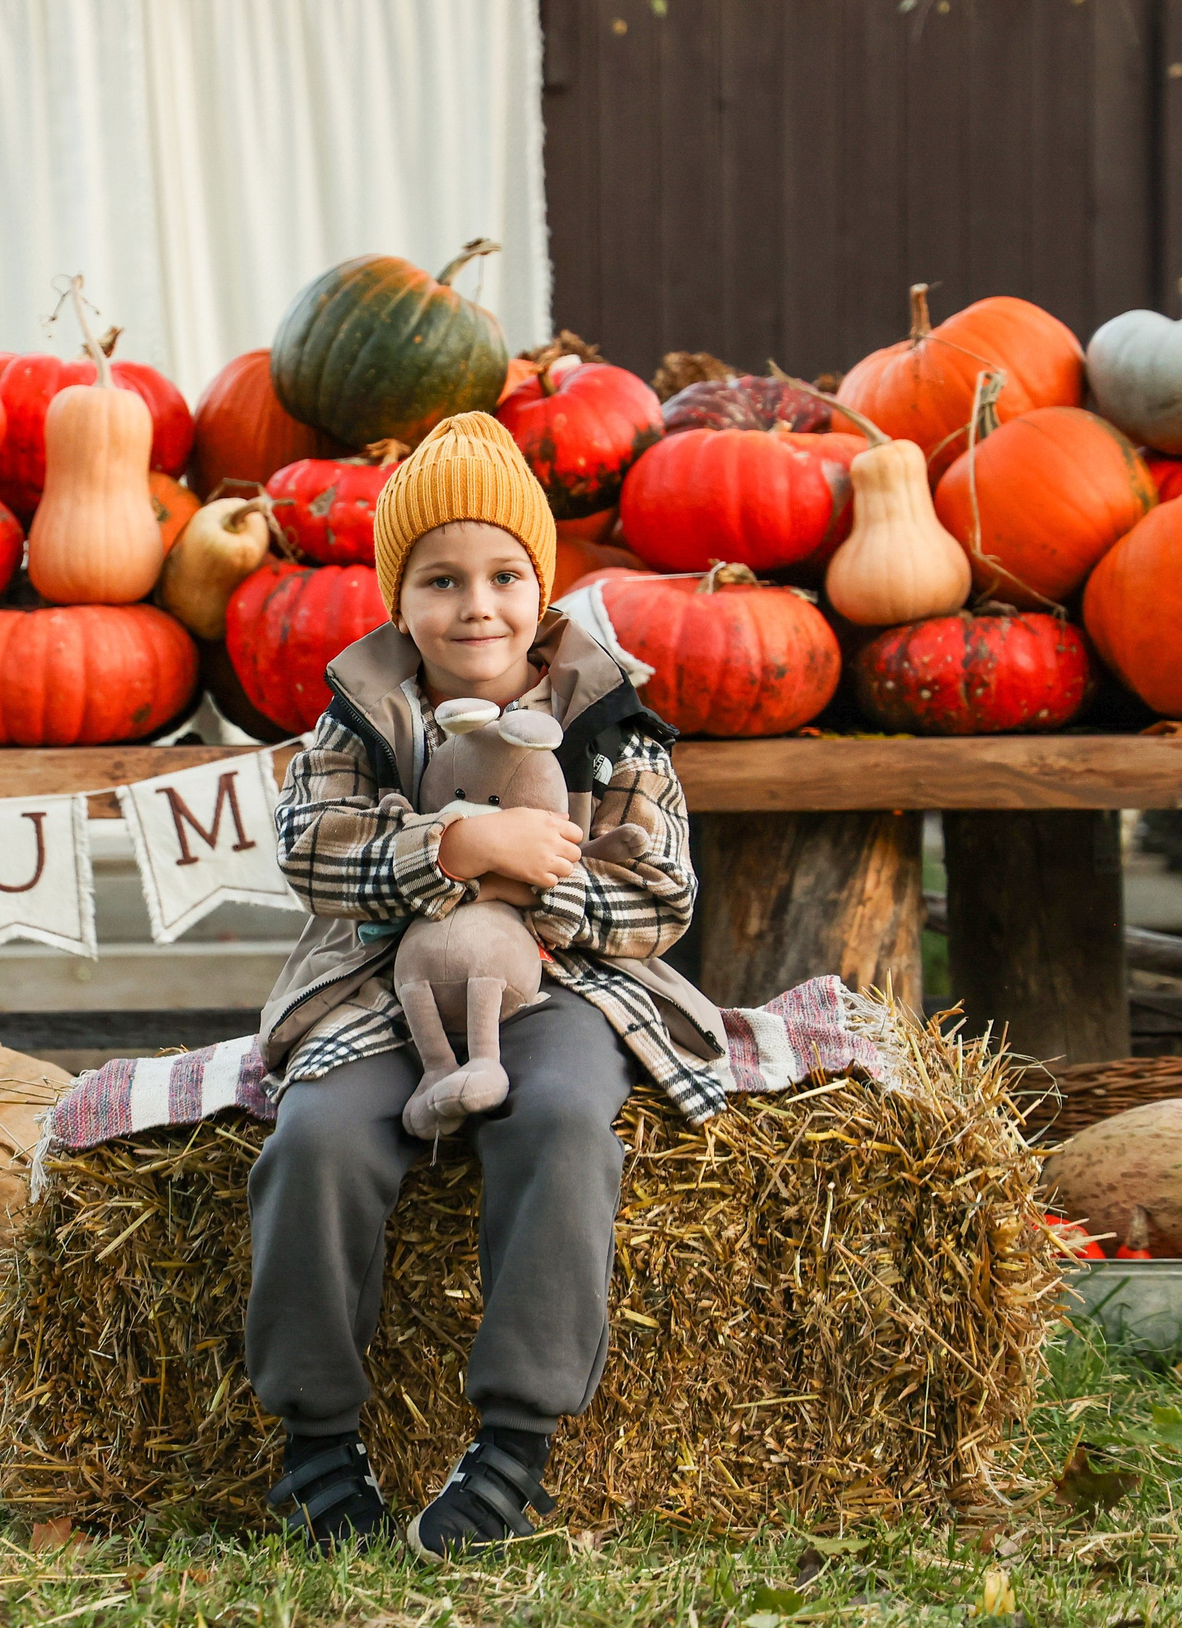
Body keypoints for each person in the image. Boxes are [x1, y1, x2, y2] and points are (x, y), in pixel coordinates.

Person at [245, 410, 729, 1562]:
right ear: (396, 600)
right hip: (379, 985)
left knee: (561, 1121)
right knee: (315, 1139)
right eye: (441, 579)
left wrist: (534, 881)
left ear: (542, 586)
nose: (478, 605)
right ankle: (315, 1439)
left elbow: (660, 899)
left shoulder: (613, 724)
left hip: (564, 985)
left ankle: (515, 1441)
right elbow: (307, 851)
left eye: (506, 574)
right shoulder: (358, 717)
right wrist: (451, 849)